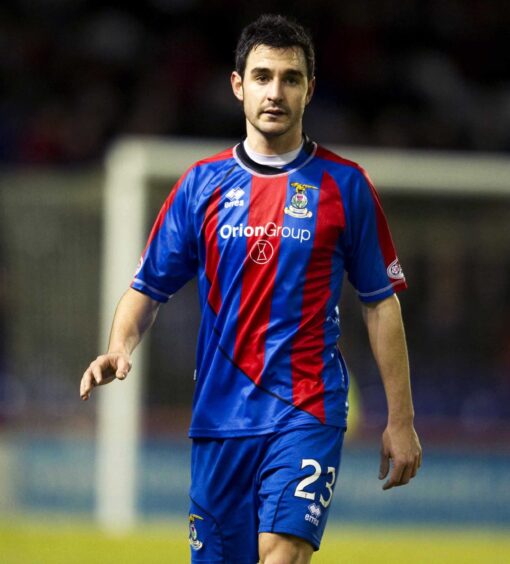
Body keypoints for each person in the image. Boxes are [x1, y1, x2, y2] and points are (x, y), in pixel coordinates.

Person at [80, 14, 422, 564]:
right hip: (219, 418)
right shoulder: (200, 186)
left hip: (306, 409)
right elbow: (146, 289)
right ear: (238, 85)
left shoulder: (346, 186)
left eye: (291, 78)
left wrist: (400, 420)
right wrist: (119, 346)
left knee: (281, 555)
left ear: (310, 88)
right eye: (262, 76)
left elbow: (381, 304)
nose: (276, 92)